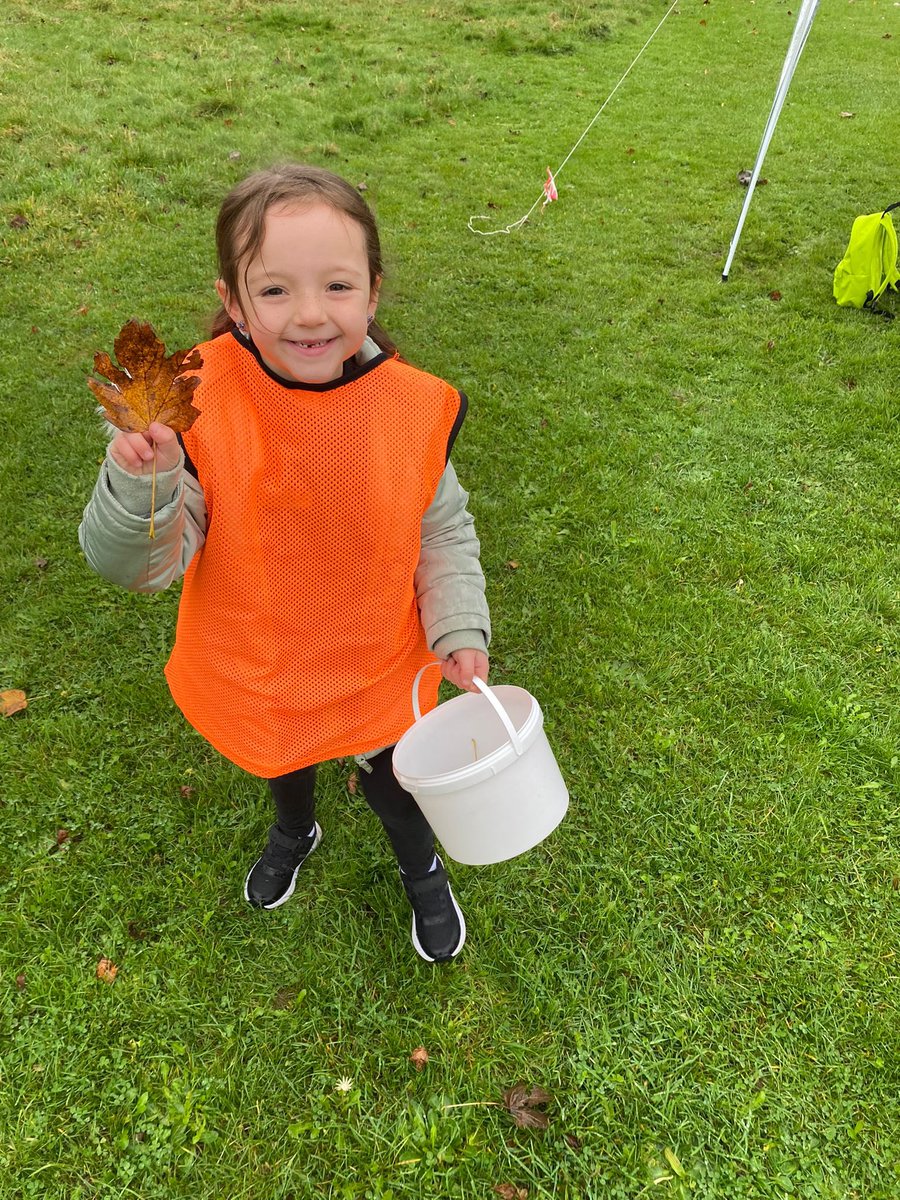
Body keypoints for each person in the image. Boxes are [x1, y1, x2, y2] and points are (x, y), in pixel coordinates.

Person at [79, 163, 490, 963]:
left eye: (337, 286)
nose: (309, 314)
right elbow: (142, 567)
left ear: (373, 292)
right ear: (232, 301)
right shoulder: (193, 413)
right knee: (285, 758)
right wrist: (145, 484)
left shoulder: (407, 409)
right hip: (264, 660)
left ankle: (423, 871)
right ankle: (294, 828)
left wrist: (459, 622)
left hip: (375, 659)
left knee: (394, 787)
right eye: (273, 292)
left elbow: (442, 530)